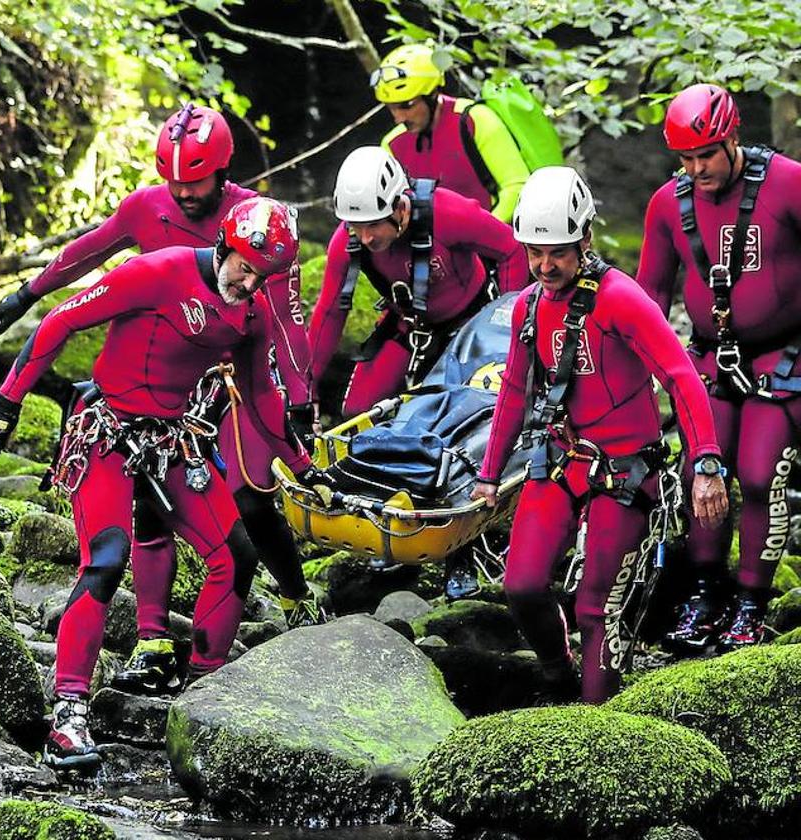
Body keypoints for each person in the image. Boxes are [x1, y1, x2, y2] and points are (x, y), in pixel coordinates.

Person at [0, 197, 326, 770]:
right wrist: (6, 401)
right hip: (106, 430)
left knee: (236, 555)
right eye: (244, 266)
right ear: (225, 245)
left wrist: (303, 463)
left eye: (263, 276)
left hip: (171, 437)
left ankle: (205, 698)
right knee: (107, 560)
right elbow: (62, 321)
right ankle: (68, 713)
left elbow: (262, 394)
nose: (250, 282)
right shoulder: (156, 272)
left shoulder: (253, 315)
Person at [0, 103, 322, 676]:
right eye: (174, 180)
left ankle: (293, 597)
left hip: (222, 370)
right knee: (144, 514)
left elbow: (286, 321)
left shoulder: (260, 226)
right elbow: (88, 255)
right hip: (146, 379)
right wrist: (27, 294)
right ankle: (150, 634)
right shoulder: (149, 214)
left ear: (221, 171)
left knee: (249, 494)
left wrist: (301, 398)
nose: (184, 193)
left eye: (195, 180)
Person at [471, 166, 727, 703]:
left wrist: (705, 463)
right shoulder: (529, 307)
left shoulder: (621, 298)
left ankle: (595, 721)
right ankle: (556, 672)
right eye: (533, 253)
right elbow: (515, 391)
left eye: (557, 252)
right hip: (563, 461)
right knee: (519, 585)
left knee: (594, 606)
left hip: (627, 472)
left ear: (584, 239)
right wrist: (488, 475)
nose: (544, 266)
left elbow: (681, 378)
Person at [309, 146, 526, 598]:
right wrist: (304, 388)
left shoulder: (448, 213)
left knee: (458, 435)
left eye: (373, 225)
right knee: (359, 412)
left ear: (401, 206)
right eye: (356, 226)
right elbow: (330, 312)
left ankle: (462, 551)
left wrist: (511, 324)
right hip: (412, 328)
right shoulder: (347, 241)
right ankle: (387, 520)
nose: (365, 237)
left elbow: (510, 251)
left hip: (476, 330)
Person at [637, 83, 801, 652]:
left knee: (759, 476)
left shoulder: (788, 184)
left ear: (732, 138)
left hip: (785, 357)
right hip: (709, 357)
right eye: (685, 158)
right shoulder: (668, 204)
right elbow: (649, 297)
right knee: (700, 478)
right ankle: (706, 593)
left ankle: (751, 603)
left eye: (706, 154)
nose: (697, 169)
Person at [372, 44, 530, 222]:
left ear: (432, 94)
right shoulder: (392, 144)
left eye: (407, 106)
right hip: (434, 246)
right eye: (391, 108)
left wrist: (484, 233)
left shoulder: (476, 119)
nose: (399, 118)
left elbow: (516, 186)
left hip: (489, 236)